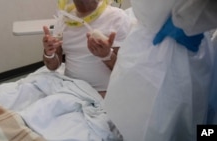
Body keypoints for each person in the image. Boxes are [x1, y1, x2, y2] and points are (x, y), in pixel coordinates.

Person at [104, 0, 217, 140]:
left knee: (176, 117)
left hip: (187, 44)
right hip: (147, 40)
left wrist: (193, 17)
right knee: (132, 114)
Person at [42, 0, 131, 98]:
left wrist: (106, 55)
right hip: (70, 89)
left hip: (103, 93)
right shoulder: (64, 19)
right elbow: (53, 67)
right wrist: (49, 53)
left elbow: (127, 71)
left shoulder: (116, 17)